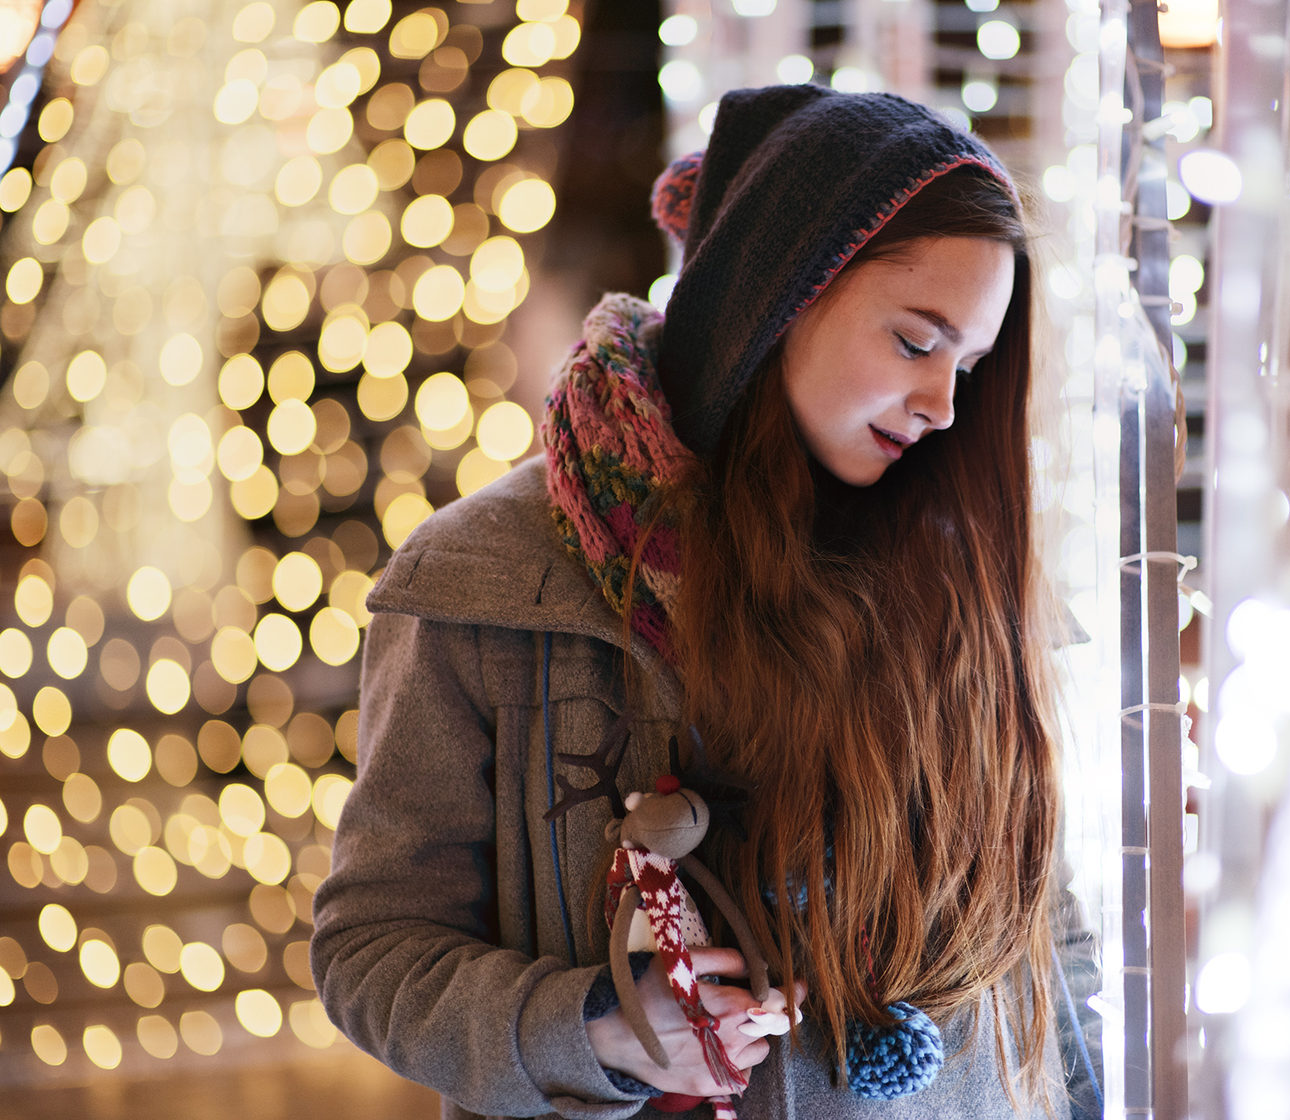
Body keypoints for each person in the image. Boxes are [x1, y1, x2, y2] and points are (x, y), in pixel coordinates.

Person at [311, 84, 1100, 1120]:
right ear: (776, 299)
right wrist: (600, 1026)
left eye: (973, 364)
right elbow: (375, 947)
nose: (944, 404)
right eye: (915, 341)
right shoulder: (483, 581)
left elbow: (1046, 937)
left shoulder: (961, 576)